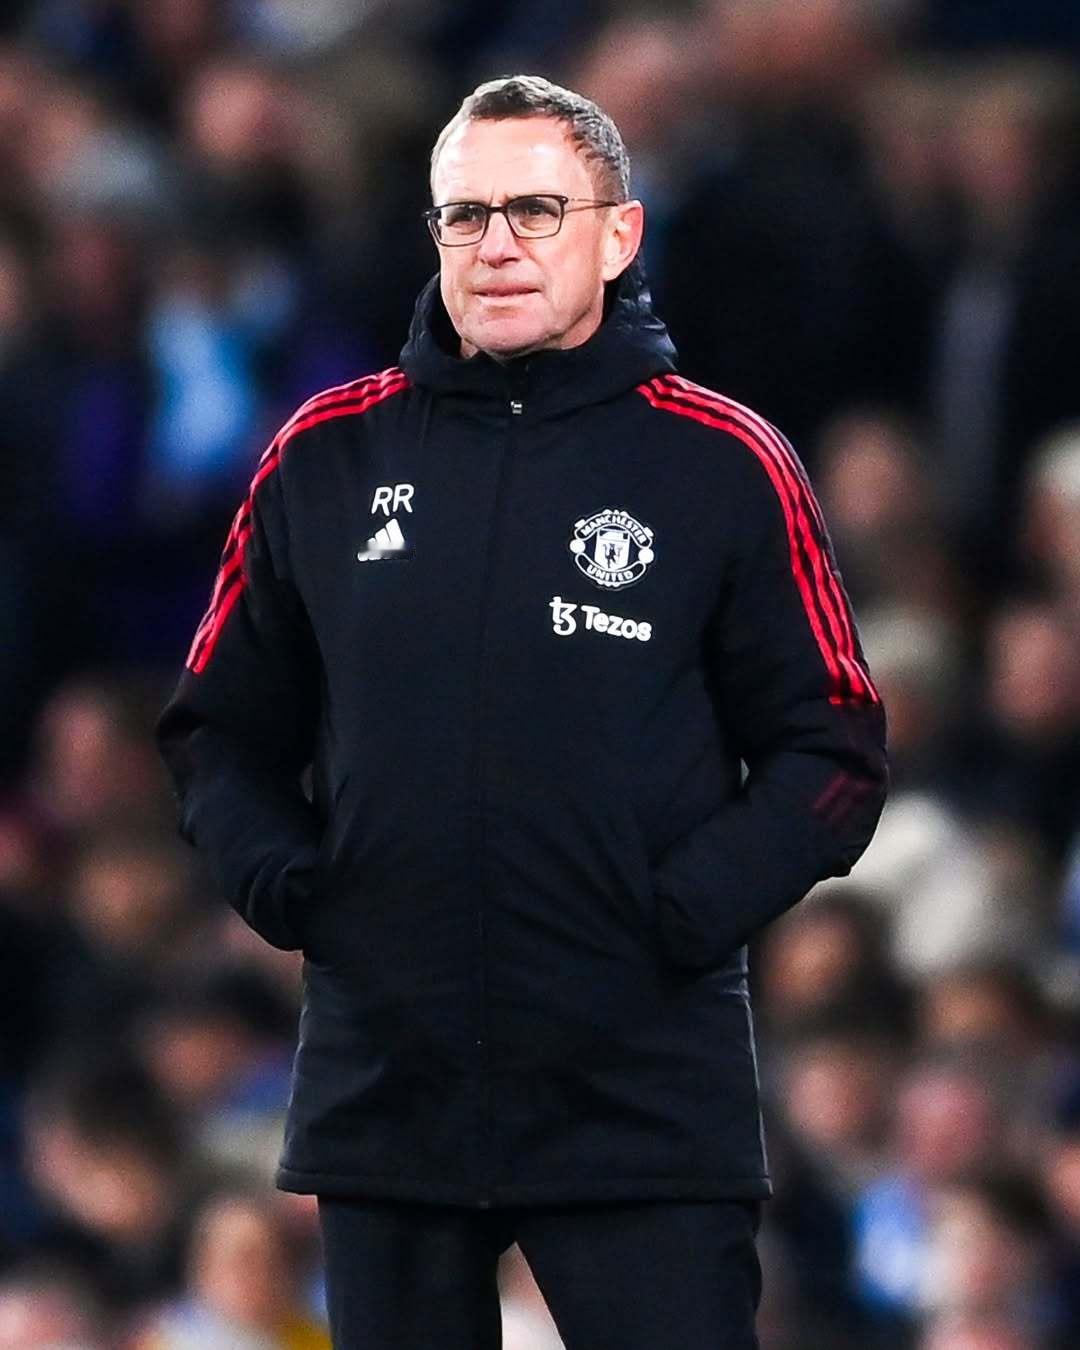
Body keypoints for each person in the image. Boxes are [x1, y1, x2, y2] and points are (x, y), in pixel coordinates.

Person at [157, 74, 888, 1350]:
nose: (495, 244)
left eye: (537, 211)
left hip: (640, 1097)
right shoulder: (322, 457)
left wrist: (673, 913)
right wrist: (293, 886)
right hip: (390, 1092)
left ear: (619, 235)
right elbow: (216, 728)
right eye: (465, 215)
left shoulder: (724, 460)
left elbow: (833, 746)